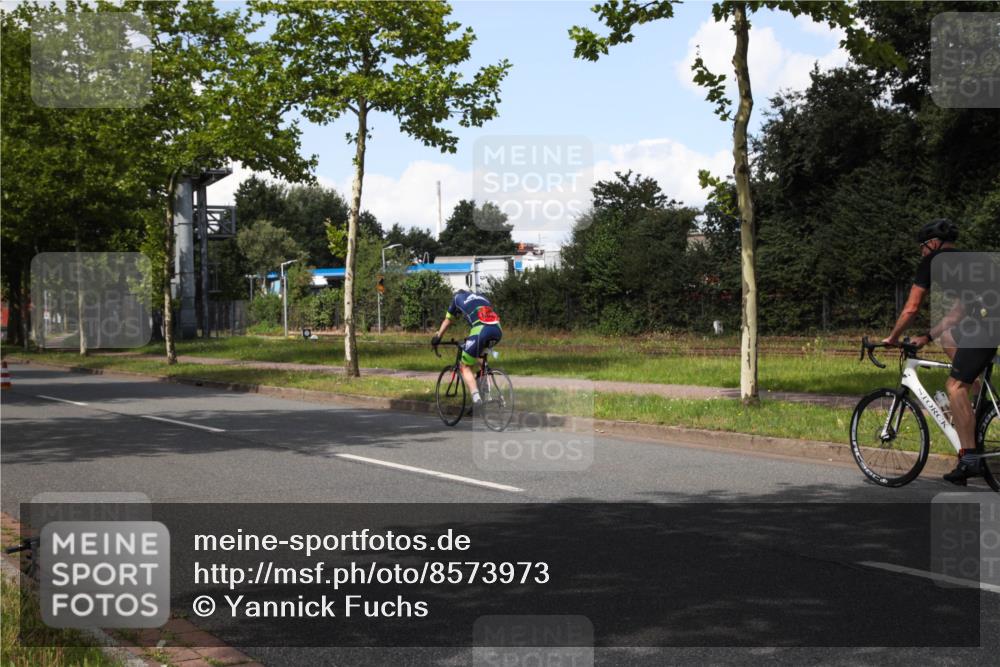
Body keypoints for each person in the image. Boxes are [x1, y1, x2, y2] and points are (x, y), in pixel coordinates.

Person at [883, 218, 998, 485]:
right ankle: (976, 392)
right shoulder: (971, 261)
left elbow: (911, 308)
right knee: (947, 336)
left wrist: (893, 337)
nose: (922, 253)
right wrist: (927, 336)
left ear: (933, 244)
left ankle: (969, 460)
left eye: (923, 247)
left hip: (988, 325)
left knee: (955, 386)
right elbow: (960, 311)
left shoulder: (932, 263)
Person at [431, 289, 502, 407]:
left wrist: (437, 338)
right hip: (497, 330)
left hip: (481, 331)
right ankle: (487, 394)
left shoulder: (457, 299)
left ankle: (476, 398)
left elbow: (448, 320)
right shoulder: (482, 297)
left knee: (464, 366)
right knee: (480, 361)